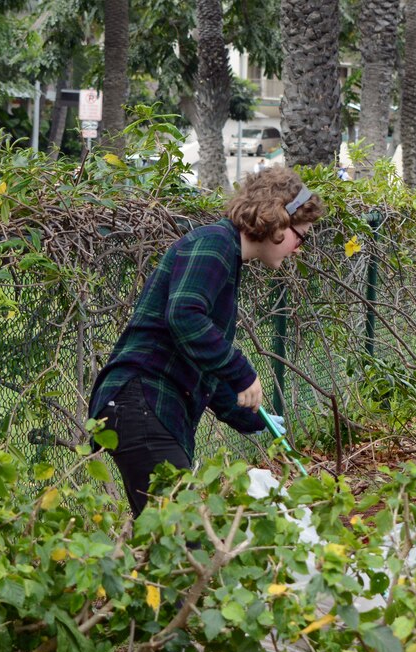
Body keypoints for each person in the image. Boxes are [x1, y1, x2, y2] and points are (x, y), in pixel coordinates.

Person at [88, 167, 323, 518]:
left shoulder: (226, 254)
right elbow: (184, 316)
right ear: (277, 220)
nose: (299, 249)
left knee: (165, 543)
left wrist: (253, 416)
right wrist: (243, 372)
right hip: (142, 401)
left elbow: (198, 357)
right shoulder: (213, 243)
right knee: (183, 540)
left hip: (151, 407)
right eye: (300, 237)